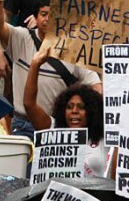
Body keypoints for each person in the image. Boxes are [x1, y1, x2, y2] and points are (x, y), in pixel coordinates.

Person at [0, 0, 101, 139]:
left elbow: (96, 87)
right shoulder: (21, 38)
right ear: (35, 18)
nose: (48, 19)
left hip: (56, 127)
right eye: (43, 14)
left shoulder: (75, 49)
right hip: (23, 123)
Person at [23, 46, 106, 177]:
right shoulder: (53, 129)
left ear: (91, 111)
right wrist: (35, 65)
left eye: (81, 107)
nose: (74, 111)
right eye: (69, 107)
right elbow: (29, 104)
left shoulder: (103, 135)